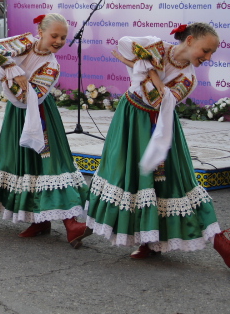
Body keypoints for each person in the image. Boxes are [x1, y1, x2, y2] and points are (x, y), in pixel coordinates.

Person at [83, 23, 230, 266]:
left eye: (212, 53)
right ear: (190, 40)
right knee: (126, 176)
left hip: (159, 126)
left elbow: (153, 97)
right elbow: (124, 44)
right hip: (130, 119)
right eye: (205, 51)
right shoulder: (157, 46)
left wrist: (142, 67)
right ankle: (147, 240)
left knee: (173, 181)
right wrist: (148, 69)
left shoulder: (188, 79)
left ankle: (219, 241)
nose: (208, 57)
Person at [0, 13, 89, 247]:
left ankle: (71, 224)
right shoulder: (24, 43)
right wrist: (12, 69)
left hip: (40, 115)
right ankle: (34, 219)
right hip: (16, 116)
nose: (58, 41)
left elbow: (29, 96)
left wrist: (10, 76)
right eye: (54, 35)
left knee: (51, 164)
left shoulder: (51, 66)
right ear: (40, 32)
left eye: (63, 37)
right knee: (16, 162)